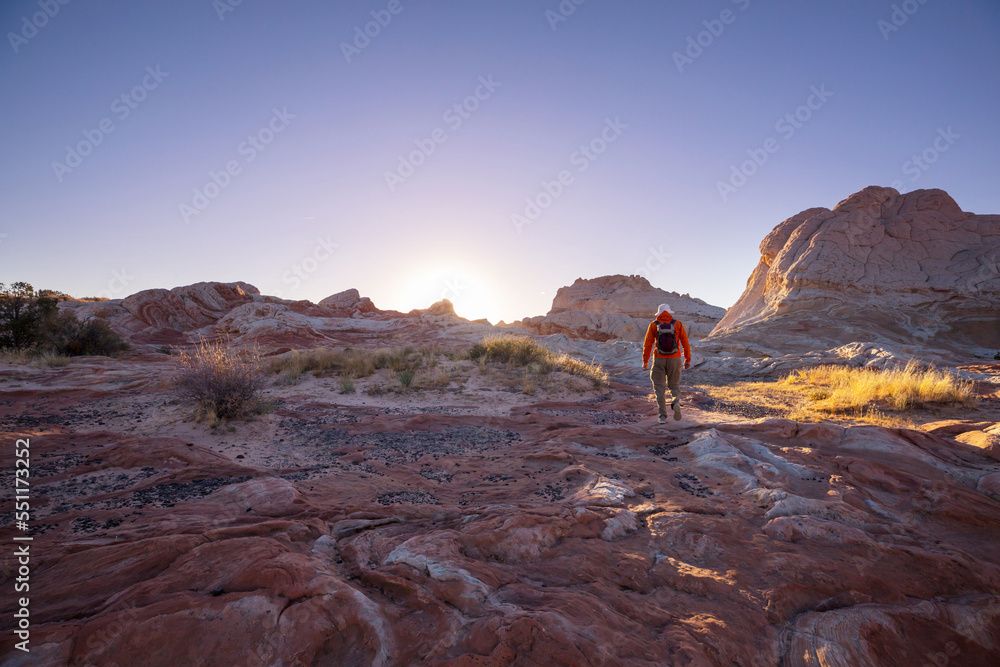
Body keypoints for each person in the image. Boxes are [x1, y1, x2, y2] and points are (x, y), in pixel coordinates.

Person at [642, 303, 691, 424]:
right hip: (675, 358)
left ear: (658, 313)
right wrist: (687, 359)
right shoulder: (677, 324)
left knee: (659, 387)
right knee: (674, 384)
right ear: (669, 312)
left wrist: (645, 361)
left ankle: (662, 416)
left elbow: (647, 344)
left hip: (659, 358)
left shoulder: (653, 324)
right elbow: (685, 342)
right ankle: (675, 401)